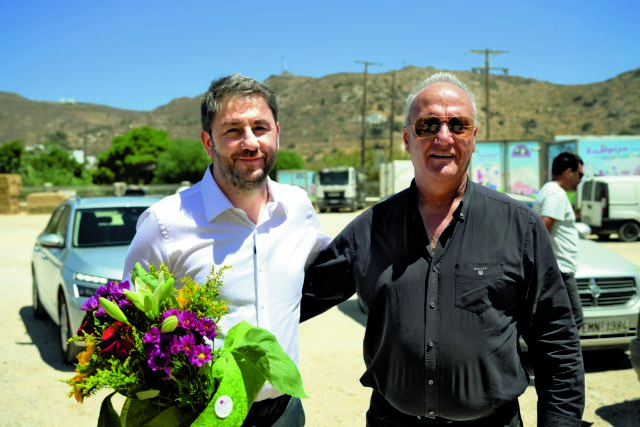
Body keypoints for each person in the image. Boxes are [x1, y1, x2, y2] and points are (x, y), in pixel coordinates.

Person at [301, 73, 590, 426]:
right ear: (407, 139)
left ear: (473, 137)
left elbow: (556, 338)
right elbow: (294, 298)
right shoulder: (367, 230)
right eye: (428, 125)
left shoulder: (520, 227)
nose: (443, 136)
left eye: (458, 125)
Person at [123, 74, 330, 427]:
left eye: (260, 128)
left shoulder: (297, 208)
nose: (250, 142)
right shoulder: (165, 224)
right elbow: (131, 325)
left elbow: (324, 273)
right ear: (208, 142)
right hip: (202, 416)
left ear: (277, 133)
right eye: (233, 130)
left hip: (285, 412)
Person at [535, 152, 585, 329]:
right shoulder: (555, 193)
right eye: (580, 175)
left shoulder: (551, 190)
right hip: (560, 270)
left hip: (557, 268)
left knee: (558, 321)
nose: (580, 180)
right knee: (574, 319)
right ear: (569, 172)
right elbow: (543, 227)